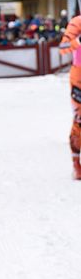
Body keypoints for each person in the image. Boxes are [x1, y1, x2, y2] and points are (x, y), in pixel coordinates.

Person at [60, 15, 81, 180]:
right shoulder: (76, 23)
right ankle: (76, 163)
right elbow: (64, 47)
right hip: (79, 77)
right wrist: (79, 40)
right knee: (80, 121)